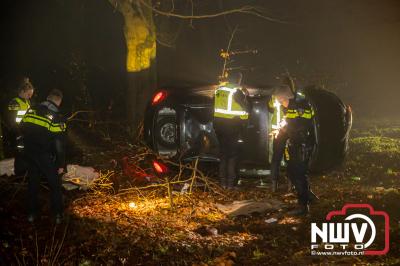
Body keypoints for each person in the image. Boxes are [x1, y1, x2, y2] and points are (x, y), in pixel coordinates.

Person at [20, 89, 66, 224]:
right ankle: (57, 215)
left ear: (47, 98)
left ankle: (31, 214)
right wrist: (61, 164)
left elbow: (22, 127)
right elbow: (59, 145)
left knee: (33, 183)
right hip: (44, 155)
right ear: (59, 101)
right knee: (55, 184)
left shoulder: (32, 109)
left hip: (29, 153)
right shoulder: (57, 117)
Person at [272, 85, 315, 215]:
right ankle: (308, 197)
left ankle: (303, 206)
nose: (280, 103)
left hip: (302, 145)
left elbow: (302, 127)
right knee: (291, 172)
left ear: (285, 97)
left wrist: (285, 131)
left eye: (280, 100)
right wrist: (280, 131)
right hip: (294, 144)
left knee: (299, 175)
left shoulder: (300, 106)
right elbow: (289, 124)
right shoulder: (288, 107)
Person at [213, 80, 249, 189]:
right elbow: (245, 113)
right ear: (237, 80)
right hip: (233, 128)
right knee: (232, 156)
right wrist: (246, 96)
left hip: (219, 127)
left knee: (223, 155)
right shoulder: (237, 92)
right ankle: (230, 184)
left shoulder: (219, 90)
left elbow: (213, 107)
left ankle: (222, 183)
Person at [4, 77, 34, 174]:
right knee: (19, 154)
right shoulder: (14, 102)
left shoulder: (27, 102)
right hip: (17, 133)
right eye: (29, 94)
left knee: (26, 154)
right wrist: (18, 134)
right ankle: (19, 175)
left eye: (31, 95)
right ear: (22, 91)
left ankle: (25, 173)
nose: (30, 97)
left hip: (25, 133)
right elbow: (11, 121)